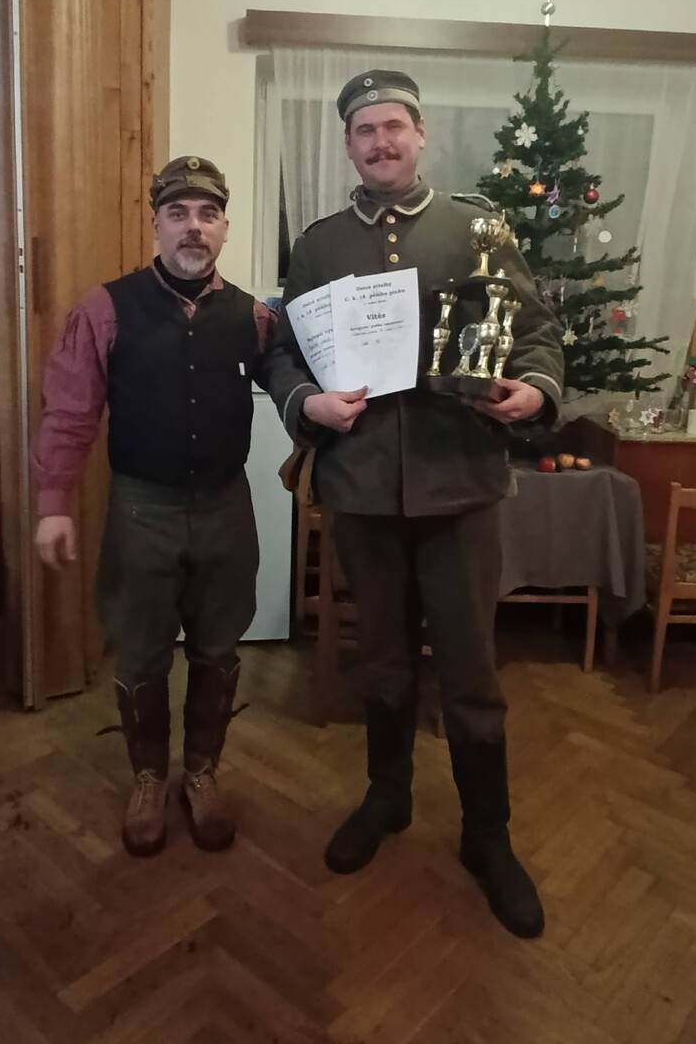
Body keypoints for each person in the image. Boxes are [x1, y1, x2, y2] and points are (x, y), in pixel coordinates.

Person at [267, 71, 563, 939]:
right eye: (365, 130)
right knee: (386, 660)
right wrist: (306, 403)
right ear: (348, 145)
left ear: (421, 134)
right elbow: (285, 354)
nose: (381, 142)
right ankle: (387, 795)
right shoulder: (319, 246)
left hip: (459, 483)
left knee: (469, 669)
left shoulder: (477, 228)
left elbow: (536, 332)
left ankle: (487, 835)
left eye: (394, 126)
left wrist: (534, 392)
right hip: (363, 488)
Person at [33, 156, 276, 858]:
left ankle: (200, 773)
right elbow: (70, 411)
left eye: (207, 214)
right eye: (178, 214)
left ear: (224, 228)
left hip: (228, 508)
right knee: (141, 653)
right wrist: (53, 501)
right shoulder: (105, 309)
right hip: (142, 510)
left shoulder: (256, 318)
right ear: (157, 226)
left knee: (218, 649)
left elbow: (300, 383)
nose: (193, 227)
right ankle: (148, 778)